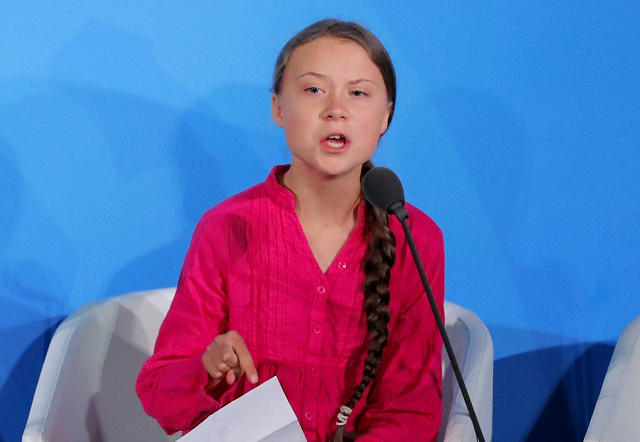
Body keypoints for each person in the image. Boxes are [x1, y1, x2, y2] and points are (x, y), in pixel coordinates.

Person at [136, 18, 445, 442]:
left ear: (385, 116)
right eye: (314, 89)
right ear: (279, 108)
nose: (336, 108)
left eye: (358, 93)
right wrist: (206, 368)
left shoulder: (416, 238)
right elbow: (160, 392)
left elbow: (410, 412)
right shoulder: (225, 228)